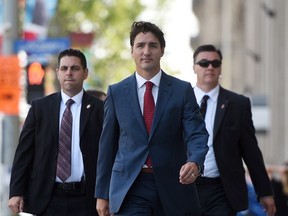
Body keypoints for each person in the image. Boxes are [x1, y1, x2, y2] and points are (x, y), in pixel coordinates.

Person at [95, 21, 209, 216]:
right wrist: (102, 194)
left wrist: (195, 162)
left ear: (162, 50)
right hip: (130, 187)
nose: (146, 51)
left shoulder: (182, 91)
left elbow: (197, 134)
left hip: (174, 185)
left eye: (153, 45)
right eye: (140, 45)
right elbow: (107, 146)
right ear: (132, 51)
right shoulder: (116, 93)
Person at [8, 48, 104, 216]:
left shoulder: (100, 109)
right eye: (64, 68)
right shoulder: (40, 108)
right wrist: (16, 191)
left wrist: (105, 195)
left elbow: (108, 154)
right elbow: (24, 153)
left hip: (87, 199)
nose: (69, 73)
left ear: (85, 73)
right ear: (57, 73)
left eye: (75, 68)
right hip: (47, 198)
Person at [192, 44, 276, 216]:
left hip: (222, 190)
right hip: (185, 189)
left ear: (220, 68)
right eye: (204, 63)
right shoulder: (180, 101)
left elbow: (251, 151)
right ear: (194, 67)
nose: (210, 67)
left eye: (215, 63)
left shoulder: (238, 104)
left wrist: (265, 192)